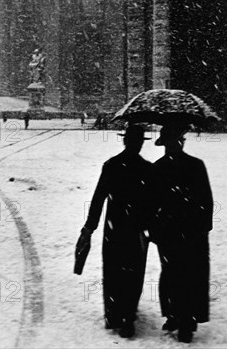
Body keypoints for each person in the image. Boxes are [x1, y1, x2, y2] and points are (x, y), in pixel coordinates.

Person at [76, 124, 154, 338]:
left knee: (112, 271)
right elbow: (153, 202)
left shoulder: (111, 165)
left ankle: (113, 314)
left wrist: (89, 227)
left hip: (115, 229)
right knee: (133, 273)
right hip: (136, 229)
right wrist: (150, 228)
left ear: (124, 140)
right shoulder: (146, 168)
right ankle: (128, 318)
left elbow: (98, 199)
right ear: (139, 143)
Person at [150, 125, 213, 344]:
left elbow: (205, 200)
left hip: (180, 231)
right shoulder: (168, 168)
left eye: (177, 141)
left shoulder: (185, 166)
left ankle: (182, 318)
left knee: (176, 274)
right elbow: (153, 203)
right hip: (179, 231)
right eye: (174, 141)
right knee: (182, 275)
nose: (176, 145)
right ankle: (179, 316)